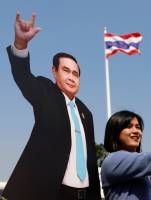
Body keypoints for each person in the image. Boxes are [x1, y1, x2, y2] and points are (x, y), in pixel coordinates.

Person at [1, 13, 101, 200]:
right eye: (66, 70)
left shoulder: (86, 112)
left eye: (76, 73)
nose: (72, 77)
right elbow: (23, 75)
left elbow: (91, 160)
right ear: (54, 71)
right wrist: (20, 44)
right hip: (52, 192)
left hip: (84, 194)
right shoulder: (45, 92)